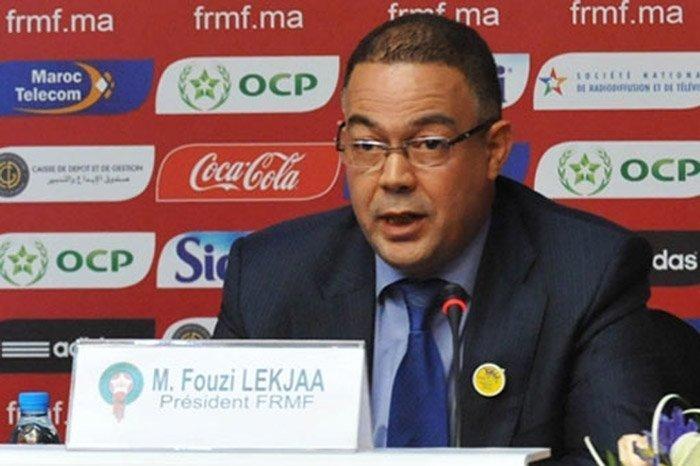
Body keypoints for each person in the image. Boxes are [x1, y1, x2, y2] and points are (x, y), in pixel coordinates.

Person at [214, 13, 699, 464]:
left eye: (429, 144)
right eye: (367, 145)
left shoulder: (586, 274)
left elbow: (616, 457)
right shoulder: (267, 277)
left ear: (494, 150)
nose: (393, 177)